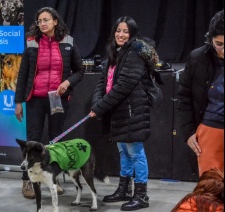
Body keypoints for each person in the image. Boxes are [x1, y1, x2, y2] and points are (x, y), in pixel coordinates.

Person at [90, 16, 159, 211]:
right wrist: (97, 103)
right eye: (118, 31)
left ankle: (141, 195)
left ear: (132, 34)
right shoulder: (115, 52)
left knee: (136, 153)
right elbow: (102, 83)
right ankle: (124, 190)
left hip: (132, 112)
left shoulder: (135, 53)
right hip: (117, 112)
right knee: (123, 151)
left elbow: (124, 86)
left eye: (125, 31)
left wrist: (100, 107)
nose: (121, 35)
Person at [14, 7, 84, 199]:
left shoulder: (68, 42)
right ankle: (27, 181)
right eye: (39, 21)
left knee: (55, 141)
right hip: (35, 99)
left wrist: (68, 82)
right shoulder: (31, 43)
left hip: (58, 100)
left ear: (55, 21)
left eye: (46, 20)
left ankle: (53, 180)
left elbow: (80, 71)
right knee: (32, 141)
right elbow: (22, 75)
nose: (42, 23)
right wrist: (18, 101)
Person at [177, 10, 224, 177]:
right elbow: (184, 98)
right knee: (210, 190)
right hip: (210, 131)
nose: (224, 50)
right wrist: (189, 133)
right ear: (210, 39)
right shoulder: (197, 58)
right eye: (219, 44)